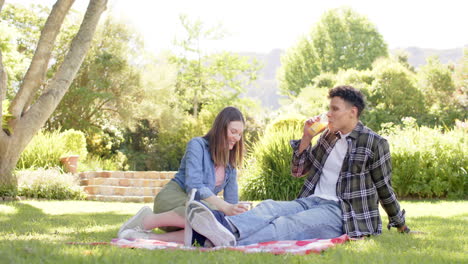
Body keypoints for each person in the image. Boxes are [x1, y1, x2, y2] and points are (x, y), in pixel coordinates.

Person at [187, 85, 410, 247]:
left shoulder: (374, 143)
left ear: (352, 112)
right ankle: (219, 223)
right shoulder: (328, 137)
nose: (328, 114)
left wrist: (400, 224)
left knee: (287, 224)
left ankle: (218, 237)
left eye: (334, 109)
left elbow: (384, 188)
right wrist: (306, 138)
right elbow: (298, 171)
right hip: (312, 201)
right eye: (329, 109)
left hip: (343, 213)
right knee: (270, 207)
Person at [118, 106, 248, 243]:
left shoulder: (230, 163)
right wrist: (225, 208)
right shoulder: (197, 145)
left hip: (196, 209)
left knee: (215, 228)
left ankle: (147, 237)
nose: (237, 138)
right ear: (220, 128)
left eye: (240, 134)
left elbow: (231, 201)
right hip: (172, 200)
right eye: (233, 132)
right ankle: (146, 220)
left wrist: (236, 212)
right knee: (206, 215)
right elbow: (194, 186)